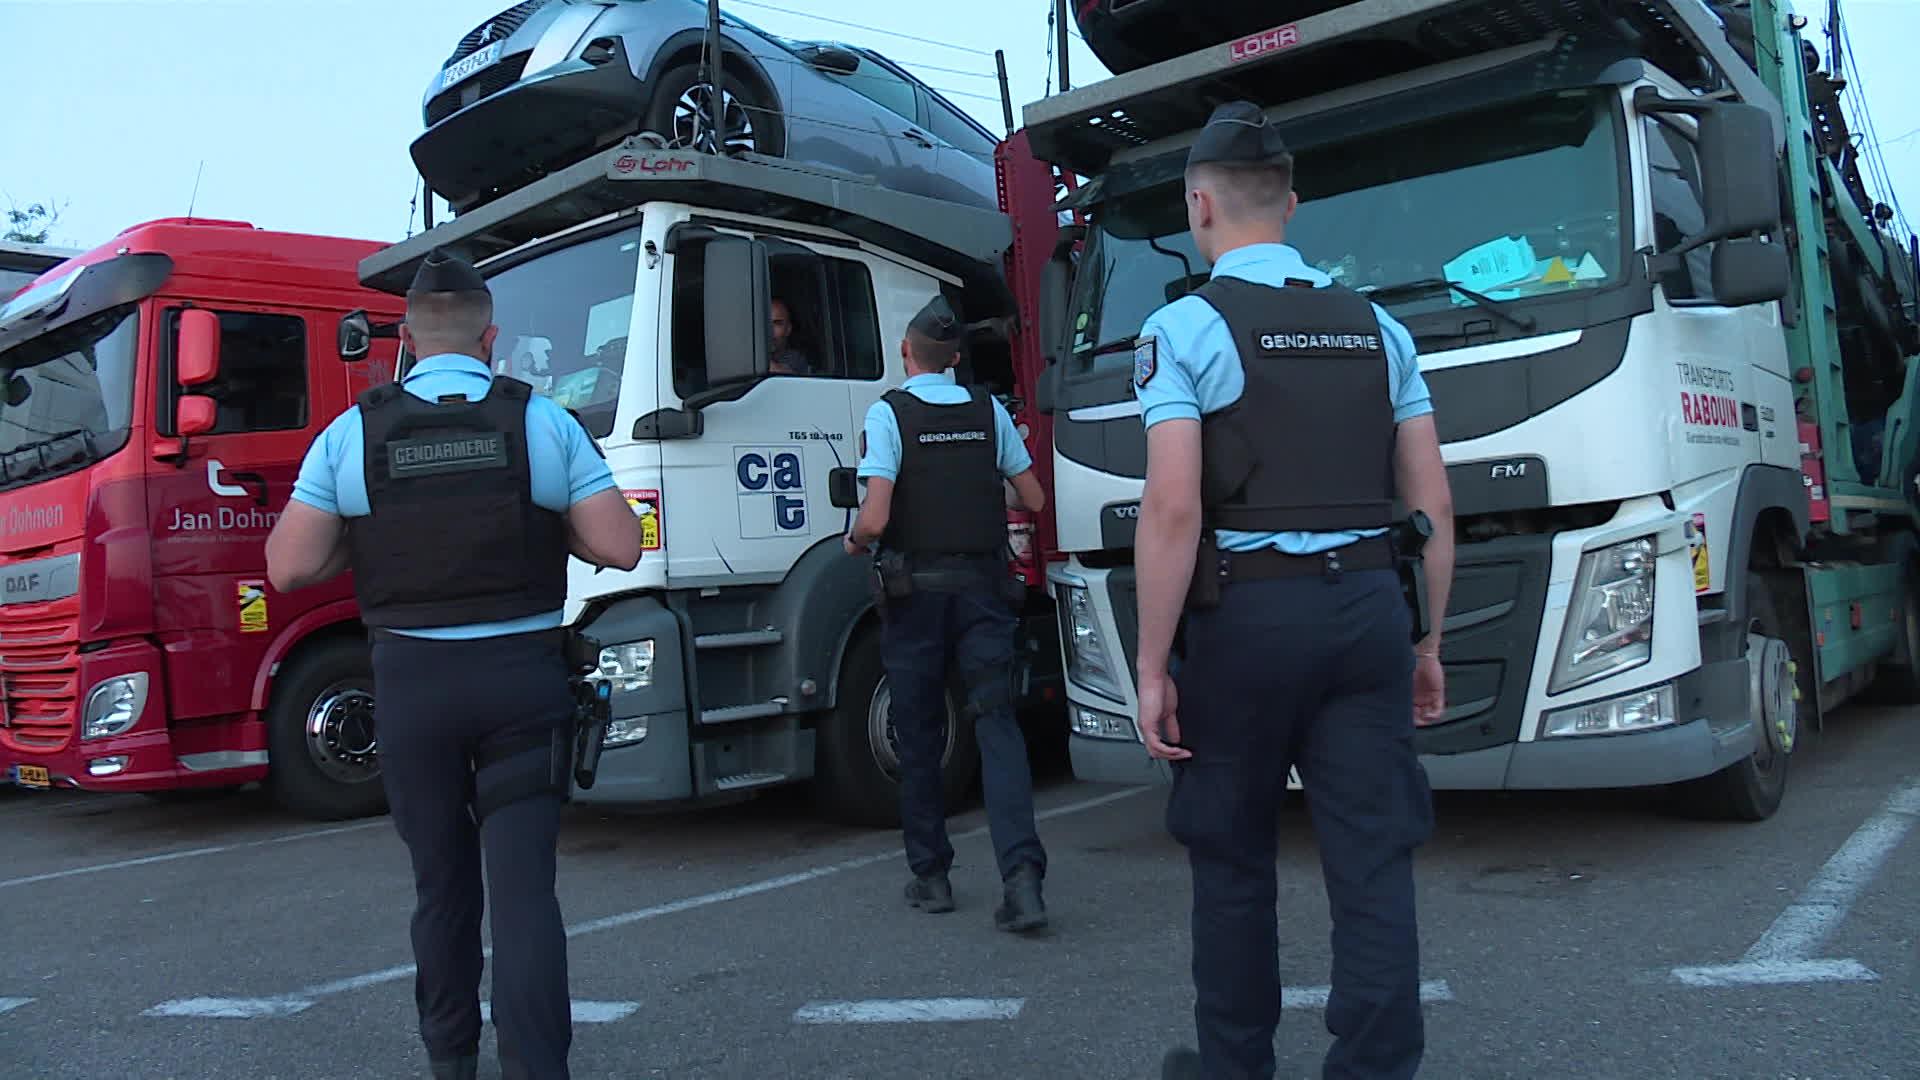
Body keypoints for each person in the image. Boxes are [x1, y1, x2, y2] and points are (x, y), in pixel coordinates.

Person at [1130, 102, 1455, 1080]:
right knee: (1373, 858)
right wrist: (1426, 641)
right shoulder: (1380, 328)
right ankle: (1375, 1066)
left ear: (1199, 207)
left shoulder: (1182, 327)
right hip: (1365, 611)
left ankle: (1236, 1066)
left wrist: (1151, 664)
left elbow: (1174, 510)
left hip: (1245, 620)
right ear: (1293, 205)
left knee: (1231, 859)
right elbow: (1432, 501)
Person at [263, 249, 645, 1080]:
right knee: (523, 897)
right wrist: (557, 530)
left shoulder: (353, 432)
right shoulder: (540, 421)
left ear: (405, 336)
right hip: (521, 685)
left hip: (413, 690)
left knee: (441, 892)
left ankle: (450, 1064)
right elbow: (621, 545)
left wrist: (364, 545)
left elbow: (288, 567)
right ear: (490, 337)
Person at [842, 293, 1051, 932]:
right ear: (956, 357)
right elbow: (1035, 499)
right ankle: (1022, 880)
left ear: (907, 353)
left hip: (915, 598)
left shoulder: (889, 415)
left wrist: (853, 541)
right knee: (997, 724)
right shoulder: (988, 411)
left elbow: (876, 516)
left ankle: (931, 876)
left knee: (921, 728)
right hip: (984, 591)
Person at [768, 297, 810, 375]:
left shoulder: (796, 360)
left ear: (788, 329)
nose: (770, 330)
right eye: (765, 322)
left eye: (777, 323)